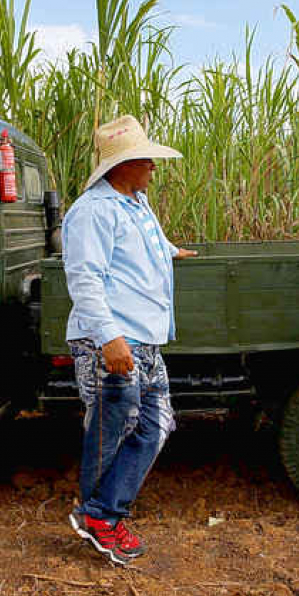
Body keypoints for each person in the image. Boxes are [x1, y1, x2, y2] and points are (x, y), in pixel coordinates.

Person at [63, 114, 198, 565]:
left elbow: (152, 242)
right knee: (113, 430)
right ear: (121, 165)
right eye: (145, 161)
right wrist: (109, 338)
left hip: (143, 340)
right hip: (115, 341)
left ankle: (100, 513)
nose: (153, 169)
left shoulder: (135, 203)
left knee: (156, 424)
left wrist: (171, 251)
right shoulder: (93, 211)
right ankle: (101, 517)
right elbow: (84, 278)